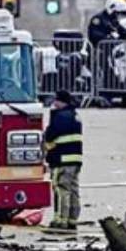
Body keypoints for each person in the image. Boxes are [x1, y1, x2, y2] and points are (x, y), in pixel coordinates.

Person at [44, 89, 83, 229]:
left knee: (61, 190)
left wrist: (52, 115)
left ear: (61, 101)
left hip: (62, 160)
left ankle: (60, 221)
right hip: (75, 160)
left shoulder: (60, 116)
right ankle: (72, 220)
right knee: (73, 191)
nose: (54, 103)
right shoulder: (75, 115)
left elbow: (50, 135)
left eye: (56, 100)